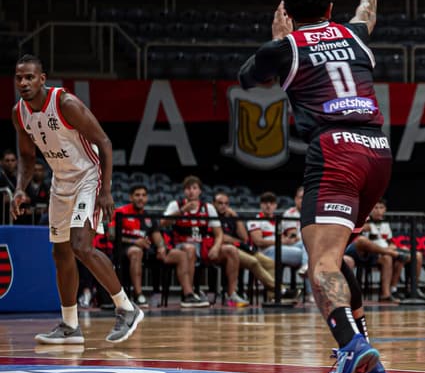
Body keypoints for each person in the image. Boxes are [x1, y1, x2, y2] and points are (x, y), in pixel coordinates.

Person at [238, 0, 392, 373]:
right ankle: (367, 357)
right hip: (378, 151)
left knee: (320, 263)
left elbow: (248, 79)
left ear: (287, 10)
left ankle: (351, 345)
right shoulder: (354, 34)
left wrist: (277, 40)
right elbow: (365, 15)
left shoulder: (284, 48)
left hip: (336, 150)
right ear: (329, 7)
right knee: (337, 258)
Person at [10, 54, 143, 344]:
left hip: (89, 176)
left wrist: (105, 191)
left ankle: (126, 308)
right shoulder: (19, 113)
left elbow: (104, 142)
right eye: (19, 78)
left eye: (29, 77)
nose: (24, 83)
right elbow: (27, 157)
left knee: (81, 246)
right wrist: (20, 188)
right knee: (60, 253)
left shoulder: (64, 103)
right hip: (61, 180)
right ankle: (70, 326)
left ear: (42, 79)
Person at [113, 184, 208, 308]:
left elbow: (157, 236)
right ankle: (139, 295)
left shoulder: (148, 216)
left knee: (181, 255)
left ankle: (188, 295)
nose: (141, 198)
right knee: (136, 251)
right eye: (137, 195)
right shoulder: (120, 212)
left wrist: (161, 247)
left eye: (143, 195)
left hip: (147, 251)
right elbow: (111, 236)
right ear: (131, 197)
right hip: (124, 250)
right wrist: (134, 241)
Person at [163, 176, 248, 307]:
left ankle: (231, 295)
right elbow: (162, 223)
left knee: (231, 250)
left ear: (200, 191)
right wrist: (182, 211)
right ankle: (188, 295)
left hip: (203, 246)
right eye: (188, 188)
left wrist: (216, 247)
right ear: (184, 191)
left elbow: (219, 234)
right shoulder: (175, 205)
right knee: (190, 248)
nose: (191, 191)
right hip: (181, 245)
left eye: (194, 188)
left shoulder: (208, 208)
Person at [213, 191, 298, 303]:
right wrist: (235, 240)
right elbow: (222, 237)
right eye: (220, 203)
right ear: (214, 204)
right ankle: (281, 290)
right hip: (227, 250)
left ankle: (274, 296)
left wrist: (236, 217)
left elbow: (244, 238)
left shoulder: (230, 217)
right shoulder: (212, 218)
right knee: (254, 262)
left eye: (226, 203)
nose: (223, 206)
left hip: (242, 249)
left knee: (271, 263)